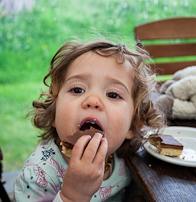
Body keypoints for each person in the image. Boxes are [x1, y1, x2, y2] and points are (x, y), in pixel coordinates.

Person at [14, 37, 165, 202]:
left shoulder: (124, 158)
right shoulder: (38, 175)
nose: (93, 101)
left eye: (113, 94)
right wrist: (72, 196)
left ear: (132, 126)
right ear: (53, 114)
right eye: (78, 89)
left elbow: (133, 188)